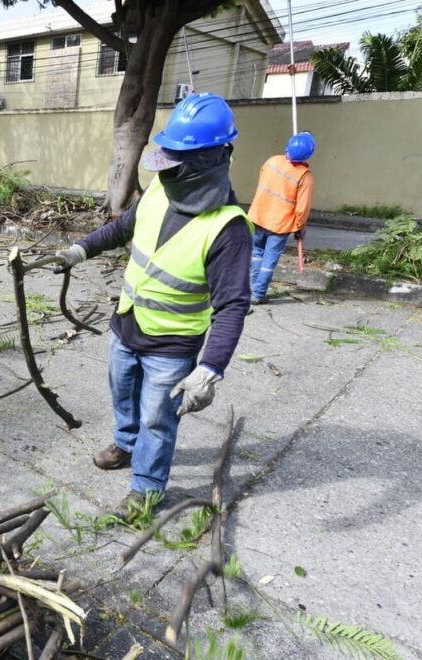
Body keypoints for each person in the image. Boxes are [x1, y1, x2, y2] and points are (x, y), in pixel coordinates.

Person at [54, 93, 252, 520]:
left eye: (176, 158)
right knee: (122, 395)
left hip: (172, 345)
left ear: (206, 161)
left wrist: (210, 370)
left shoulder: (227, 228)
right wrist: (79, 250)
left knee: (158, 420)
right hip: (127, 325)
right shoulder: (159, 192)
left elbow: (233, 306)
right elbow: (123, 227)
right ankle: (125, 445)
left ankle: (146, 489)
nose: (166, 166)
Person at [247, 132, 315, 304]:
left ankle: (253, 288)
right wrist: (299, 227)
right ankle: (258, 294)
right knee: (268, 261)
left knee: (256, 253)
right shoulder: (304, 177)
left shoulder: (271, 162)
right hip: (279, 225)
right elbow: (302, 208)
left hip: (258, 216)